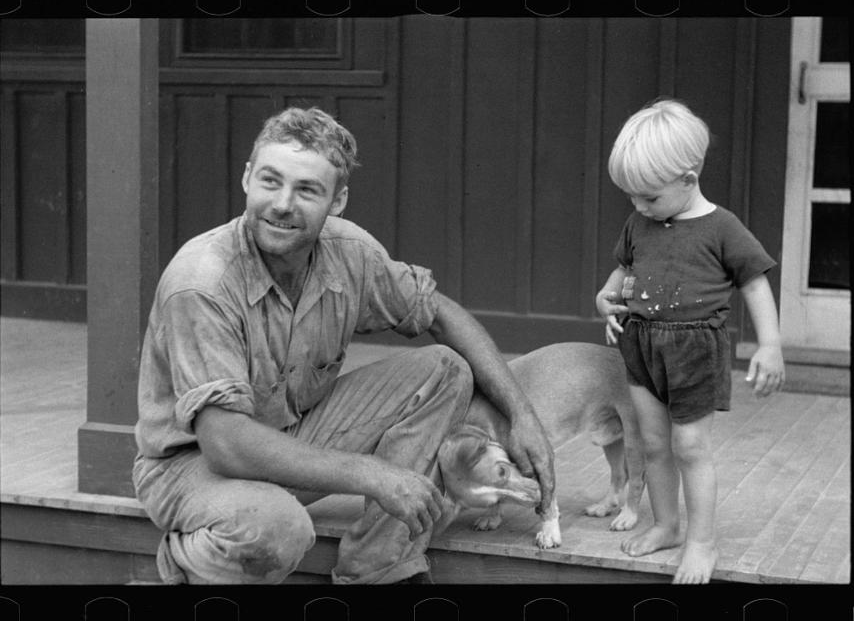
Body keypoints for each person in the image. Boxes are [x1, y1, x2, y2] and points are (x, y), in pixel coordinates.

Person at [132, 106, 554, 585]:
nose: (283, 204)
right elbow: (226, 444)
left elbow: (440, 314)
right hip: (191, 466)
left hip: (292, 436)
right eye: (270, 181)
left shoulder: (348, 252)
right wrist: (375, 475)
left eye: (307, 189)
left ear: (338, 200)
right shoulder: (202, 281)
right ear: (247, 178)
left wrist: (521, 415)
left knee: (445, 369)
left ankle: (380, 567)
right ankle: (183, 569)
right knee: (276, 527)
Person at [595, 98, 785, 584]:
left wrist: (770, 344)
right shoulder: (640, 222)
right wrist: (606, 297)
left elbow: (755, 282)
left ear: (688, 177)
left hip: (694, 352)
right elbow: (624, 269)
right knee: (655, 443)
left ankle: (703, 542)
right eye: (631, 196)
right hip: (641, 346)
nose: (638, 206)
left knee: (690, 446)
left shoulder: (722, 227)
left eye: (649, 196)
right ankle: (667, 525)